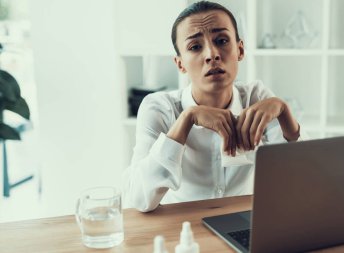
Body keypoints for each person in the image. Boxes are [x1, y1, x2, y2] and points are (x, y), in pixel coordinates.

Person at [123, 1, 306, 212]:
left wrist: (284, 113)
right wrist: (186, 119)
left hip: (245, 225)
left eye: (222, 40)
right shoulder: (158, 108)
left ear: (240, 50)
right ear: (180, 64)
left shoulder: (257, 97)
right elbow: (137, 199)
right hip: (181, 231)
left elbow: (301, 180)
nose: (212, 54)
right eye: (195, 47)